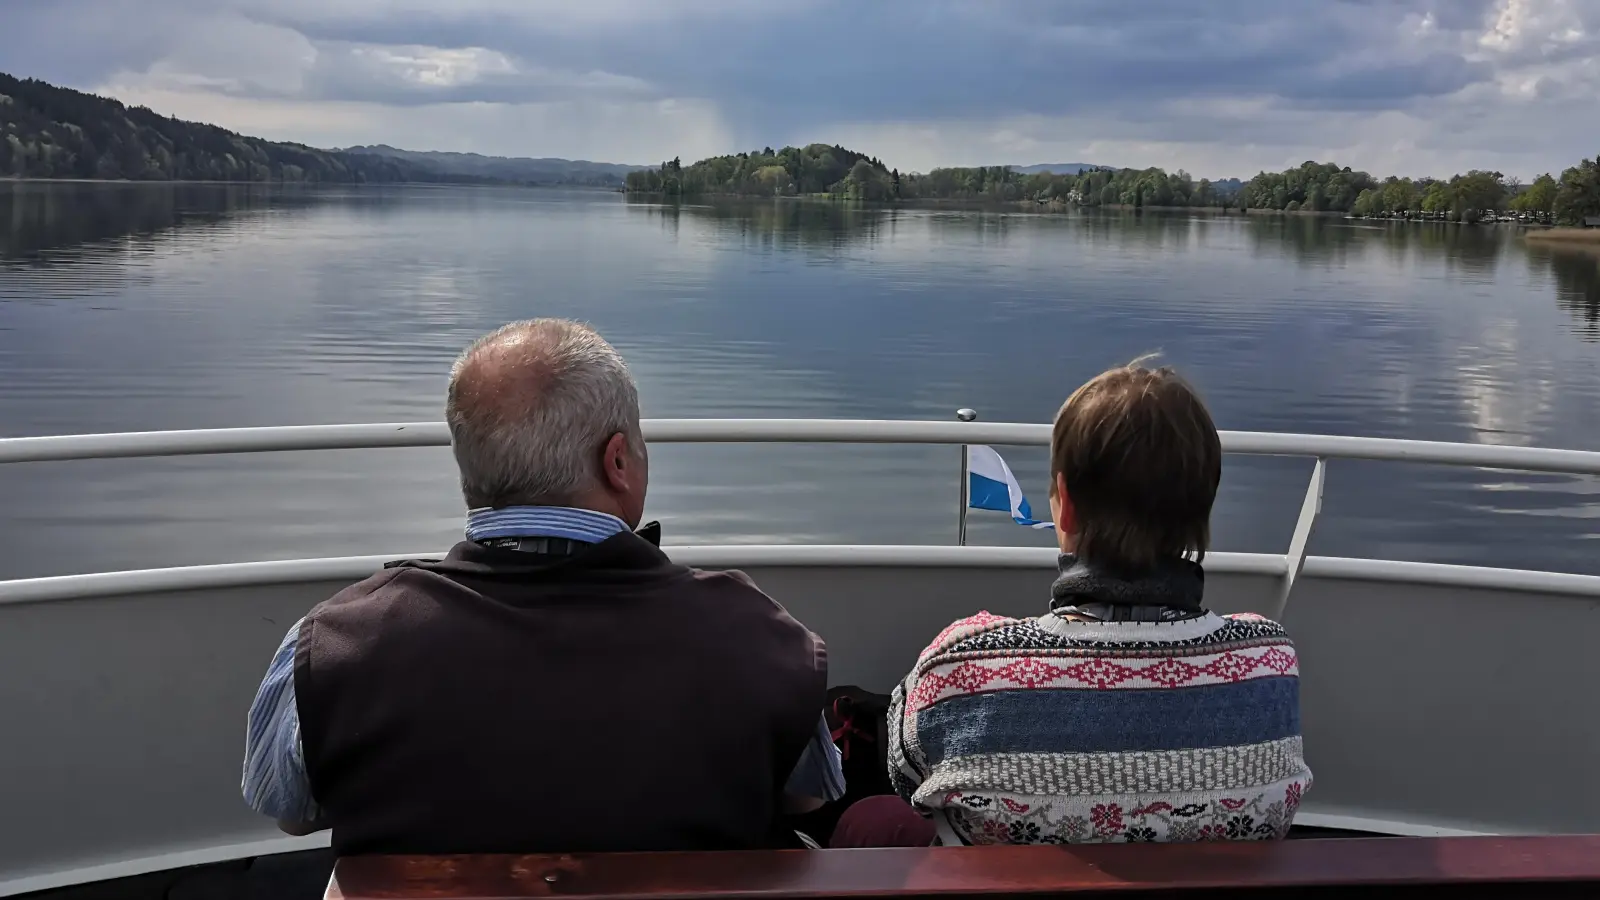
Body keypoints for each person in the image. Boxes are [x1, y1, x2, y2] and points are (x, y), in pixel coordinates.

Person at [242, 318, 843, 855]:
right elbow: (809, 799)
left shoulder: (334, 645)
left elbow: (291, 815)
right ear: (617, 462)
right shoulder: (758, 638)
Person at [847, 357, 1310, 846]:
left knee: (867, 820)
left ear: (1064, 504)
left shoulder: (965, 664)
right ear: (1203, 509)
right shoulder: (1268, 663)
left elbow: (904, 775)